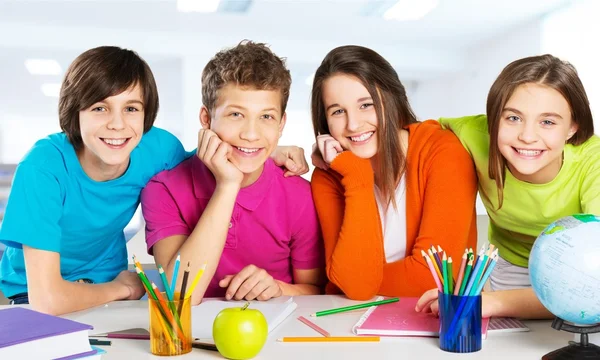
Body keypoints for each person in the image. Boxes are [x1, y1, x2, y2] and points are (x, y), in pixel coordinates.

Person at [0, 46, 309, 315]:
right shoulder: (42, 168)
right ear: (74, 112)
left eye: (131, 109)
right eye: (99, 108)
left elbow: (208, 156)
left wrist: (263, 151)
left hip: (108, 282)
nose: (118, 125)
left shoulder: (158, 149)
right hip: (41, 293)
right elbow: (48, 301)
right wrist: (121, 289)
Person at [416, 54, 600, 319]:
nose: (526, 136)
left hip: (581, 274)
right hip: (512, 265)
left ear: (572, 127)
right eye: (513, 118)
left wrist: (493, 302)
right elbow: (407, 139)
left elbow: (592, 284)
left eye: (547, 122)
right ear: (493, 119)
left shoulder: (593, 161)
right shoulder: (472, 133)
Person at [141, 41, 324, 305]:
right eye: (236, 114)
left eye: (266, 117)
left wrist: (278, 288)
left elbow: (316, 290)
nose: (250, 134)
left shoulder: (300, 195)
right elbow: (180, 295)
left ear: (282, 123)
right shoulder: (163, 189)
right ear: (206, 119)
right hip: (192, 333)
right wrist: (227, 186)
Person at [309, 45, 478, 300]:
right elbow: (353, 286)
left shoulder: (443, 152)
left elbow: (433, 276)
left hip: (432, 324)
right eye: (338, 111)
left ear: (392, 99)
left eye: (366, 105)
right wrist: (357, 177)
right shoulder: (329, 174)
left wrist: (353, 283)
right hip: (351, 321)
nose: (353, 124)